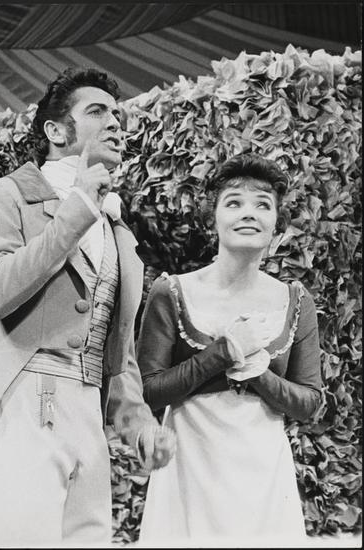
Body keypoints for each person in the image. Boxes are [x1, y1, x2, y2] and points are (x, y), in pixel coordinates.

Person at [0, 67, 176, 548]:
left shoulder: (117, 231)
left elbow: (117, 353)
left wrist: (138, 425)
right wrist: (78, 208)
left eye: (117, 115)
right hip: (27, 401)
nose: (114, 123)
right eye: (97, 112)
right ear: (55, 131)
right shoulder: (2, 194)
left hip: (89, 415)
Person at [137, 153, 322, 546]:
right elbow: (148, 390)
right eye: (234, 202)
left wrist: (259, 375)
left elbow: (308, 402)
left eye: (263, 205)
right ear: (213, 219)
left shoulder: (296, 300)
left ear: (277, 224)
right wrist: (223, 352)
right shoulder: (171, 292)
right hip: (189, 471)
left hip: (264, 479)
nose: (248, 213)